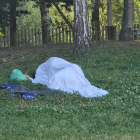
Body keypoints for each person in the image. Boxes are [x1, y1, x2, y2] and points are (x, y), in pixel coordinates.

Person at [29, 57, 108, 98]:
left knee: (57, 78)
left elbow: (53, 66)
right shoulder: (49, 63)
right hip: (75, 69)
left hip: (72, 69)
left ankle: (76, 83)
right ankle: (76, 83)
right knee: (62, 77)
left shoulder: (48, 65)